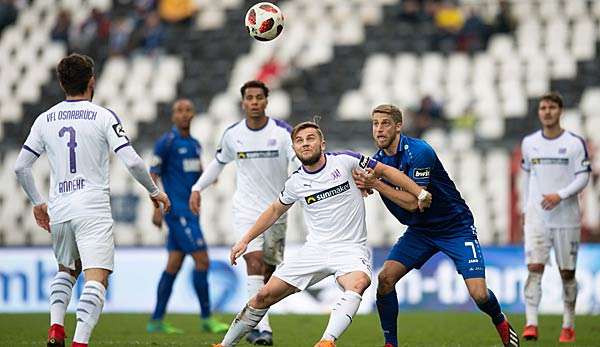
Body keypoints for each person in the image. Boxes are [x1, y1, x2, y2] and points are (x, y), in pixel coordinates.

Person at [212, 121, 432, 347]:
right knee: (262, 297)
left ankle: (327, 342)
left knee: (359, 282)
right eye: (299, 141)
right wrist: (245, 240)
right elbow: (275, 210)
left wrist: (418, 191)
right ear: (294, 148)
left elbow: (385, 171)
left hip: (349, 248)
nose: (305, 144)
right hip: (314, 250)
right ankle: (225, 345)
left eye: (310, 138)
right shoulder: (296, 182)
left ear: (322, 143)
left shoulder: (346, 161)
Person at [13, 53, 171, 347]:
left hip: (59, 208)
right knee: (96, 278)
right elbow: (134, 162)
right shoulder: (102, 116)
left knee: (67, 271)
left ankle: (56, 329)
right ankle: (79, 342)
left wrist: (37, 202)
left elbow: (21, 167)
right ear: (92, 81)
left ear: (61, 83)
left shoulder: (44, 119)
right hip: (92, 207)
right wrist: (154, 191)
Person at [352, 104, 519, 347]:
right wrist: (365, 185)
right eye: (375, 124)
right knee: (386, 279)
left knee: (479, 295)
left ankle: (499, 320)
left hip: (455, 227)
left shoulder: (419, 152)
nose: (379, 129)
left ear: (398, 126)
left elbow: (414, 203)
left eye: (385, 123)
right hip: (420, 232)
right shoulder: (377, 162)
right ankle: (390, 344)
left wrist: (376, 184)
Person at [189, 80, 297, 345]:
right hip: (246, 209)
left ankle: (255, 321)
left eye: (259, 97)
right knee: (254, 262)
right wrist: (197, 187)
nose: (254, 102)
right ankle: (263, 330)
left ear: (266, 101)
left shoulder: (283, 132)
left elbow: (298, 164)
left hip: (277, 209)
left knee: (268, 272)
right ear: (243, 102)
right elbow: (218, 163)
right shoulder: (233, 134)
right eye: (249, 98)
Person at [146, 99, 228, 334]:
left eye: (188, 110)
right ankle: (206, 318)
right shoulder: (166, 143)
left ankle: (156, 320)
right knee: (203, 261)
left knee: (173, 264)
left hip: (191, 213)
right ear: (173, 116)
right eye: (179, 111)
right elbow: (152, 175)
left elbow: (200, 172)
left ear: (193, 114)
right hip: (177, 212)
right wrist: (156, 209)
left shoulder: (194, 144)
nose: (183, 114)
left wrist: (209, 177)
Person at [520, 92, 590, 343]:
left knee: (567, 274)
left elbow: (583, 177)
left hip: (566, 218)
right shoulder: (529, 143)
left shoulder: (574, 143)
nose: (547, 111)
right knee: (534, 268)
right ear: (539, 112)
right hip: (538, 217)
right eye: (543, 107)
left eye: (551, 107)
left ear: (560, 111)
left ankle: (568, 324)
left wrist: (560, 195)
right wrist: (526, 210)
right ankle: (531, 323)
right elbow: (528, 177)